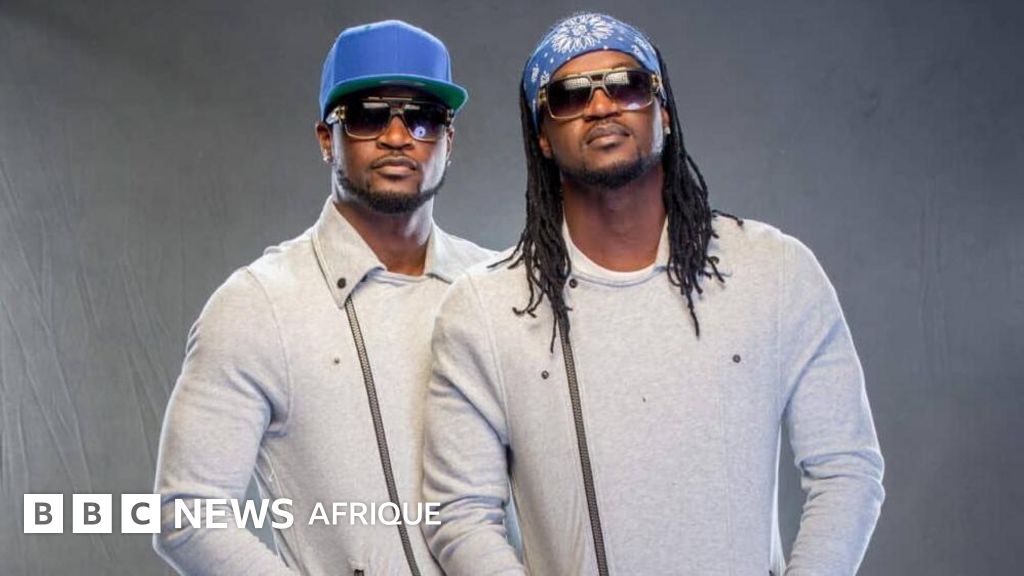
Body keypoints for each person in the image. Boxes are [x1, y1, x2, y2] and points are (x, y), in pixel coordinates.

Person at [421, 12, 884, 576]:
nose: (601, 106)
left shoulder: (775, 270)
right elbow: (459, 515)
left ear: (662, 109)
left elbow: (846, 470)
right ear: (541, 136)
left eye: (627, 85)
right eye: (569, 96)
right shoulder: (484, 310)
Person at [153, 19, 492, 575]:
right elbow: (186, 514)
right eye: (367, 116)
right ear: (325, 139)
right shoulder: (258, 304)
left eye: (424, 117)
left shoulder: (498, 286)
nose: (397, 136)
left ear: (448, 142)